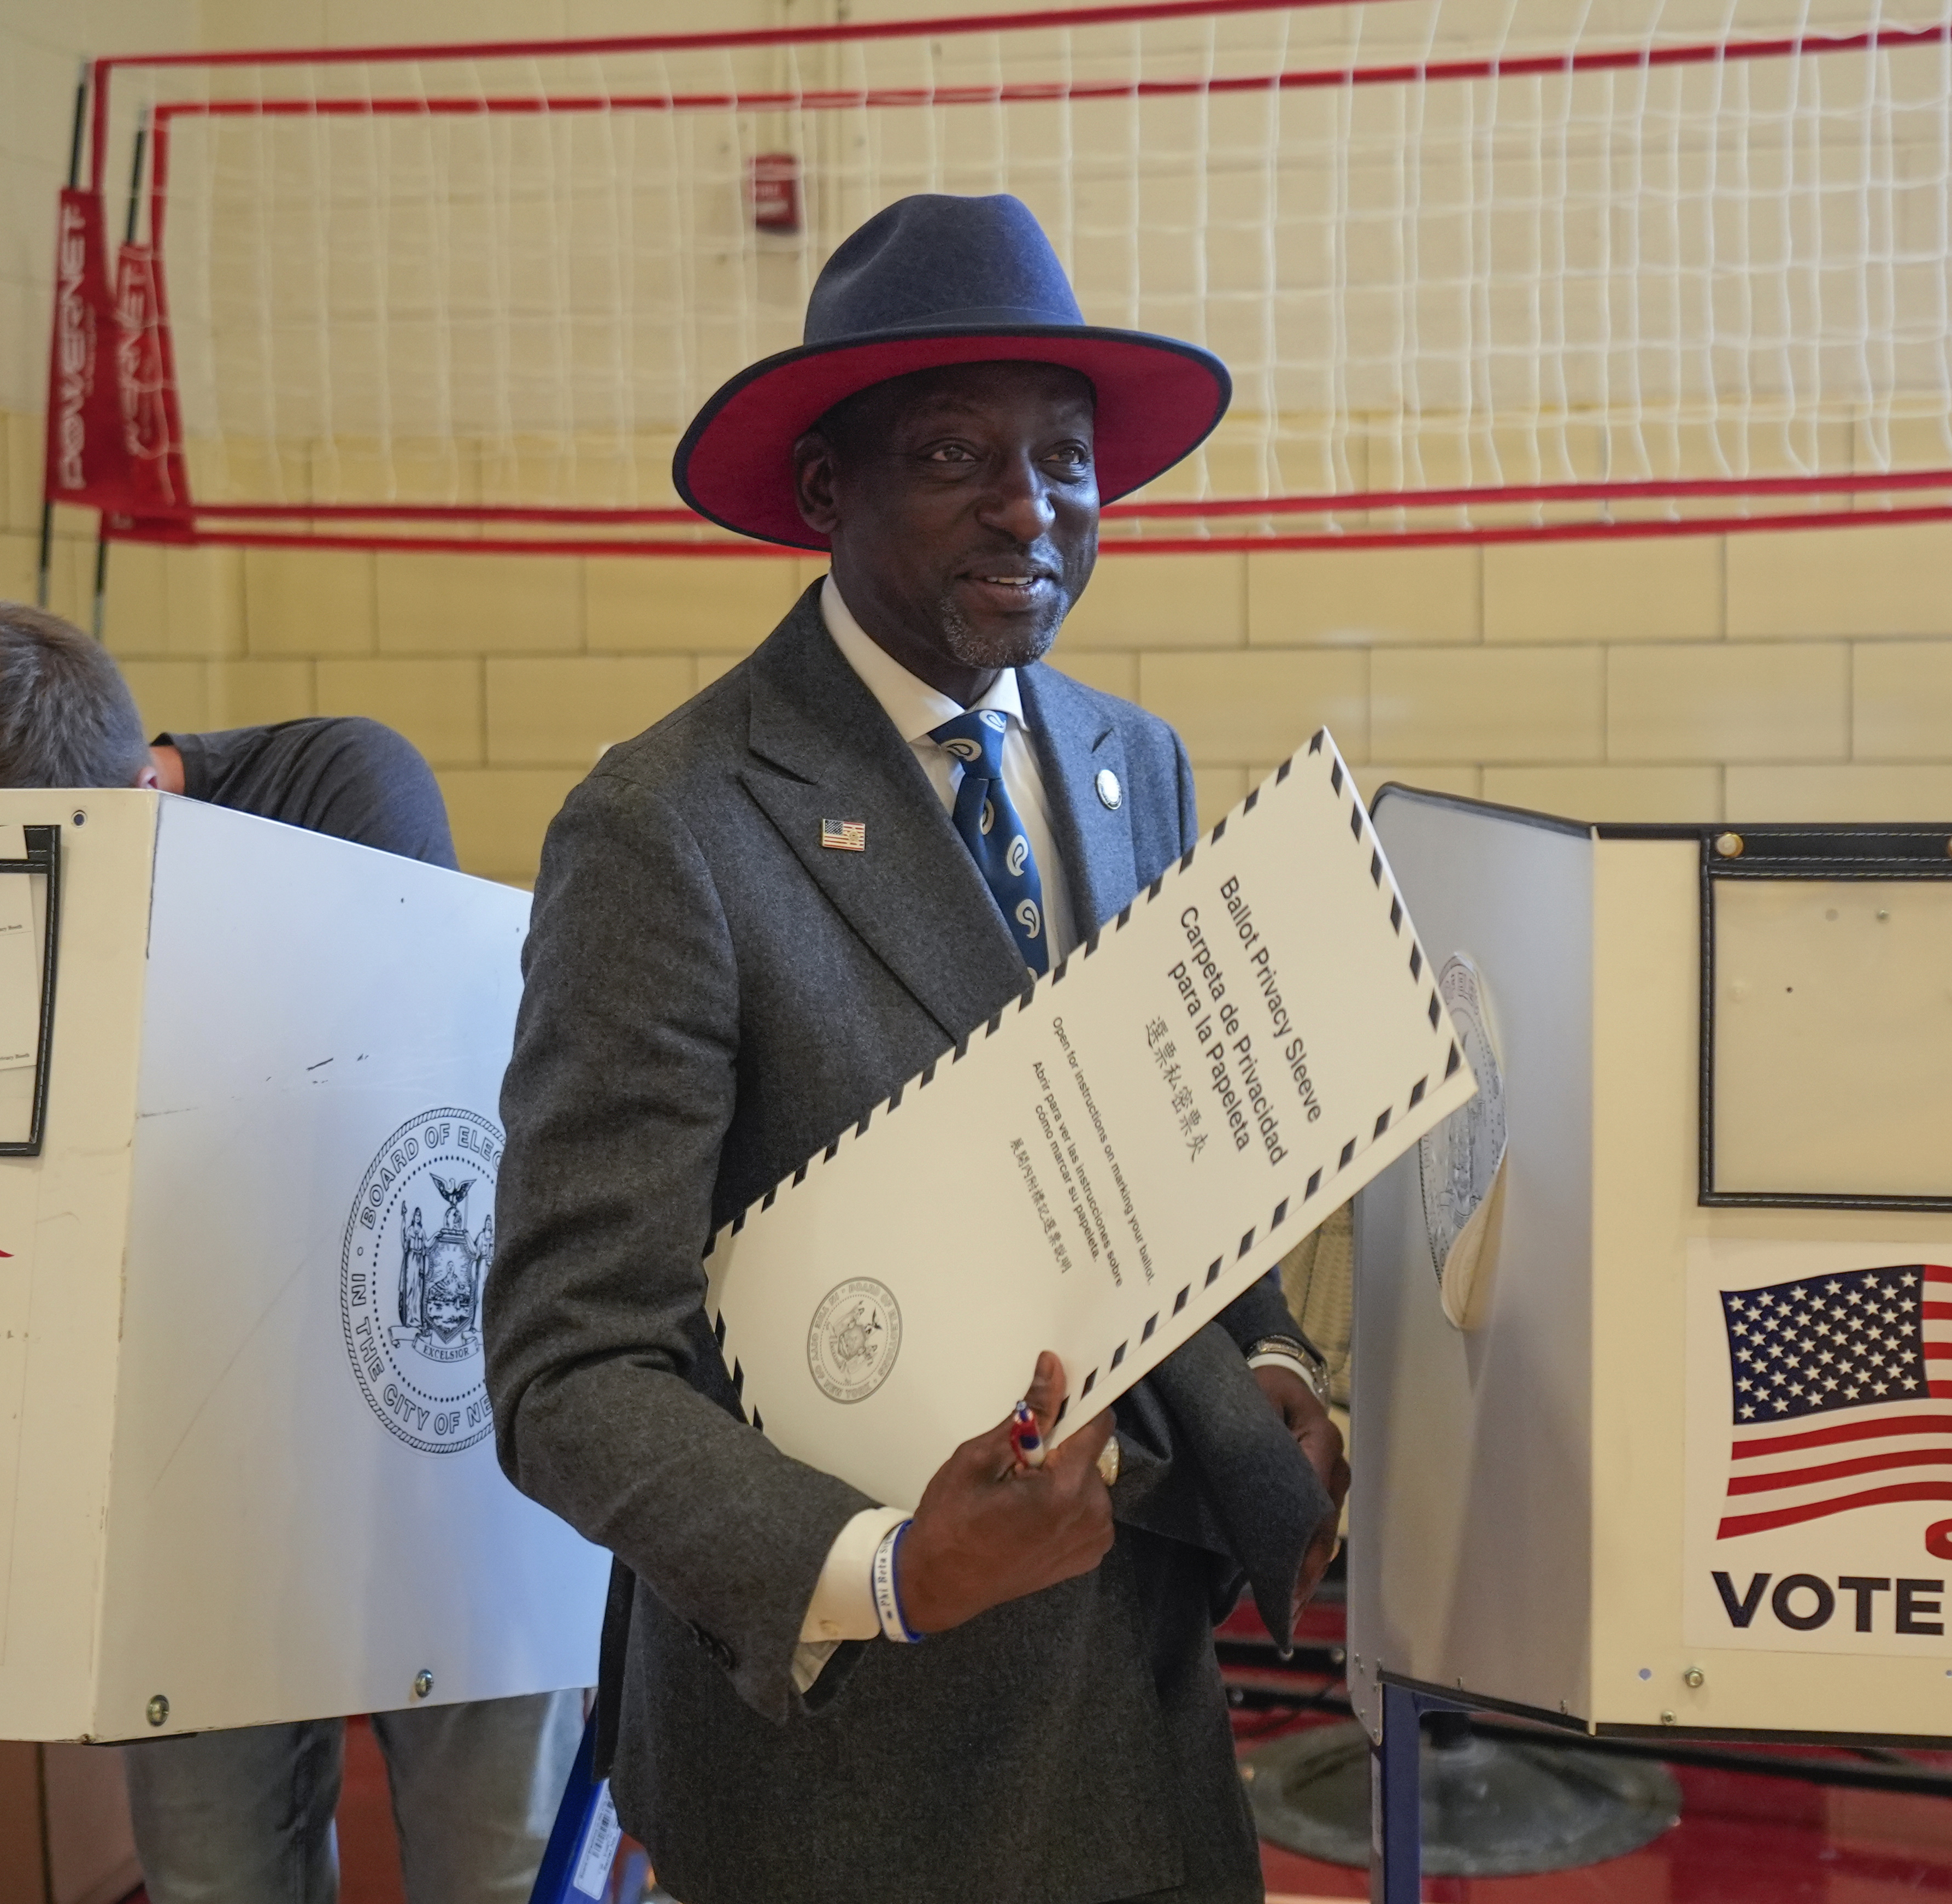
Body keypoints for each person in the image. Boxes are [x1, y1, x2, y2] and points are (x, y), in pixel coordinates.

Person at [485, 192, 1350, 1904]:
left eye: (1066, 455)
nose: (1030, 506)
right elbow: (567, 1365)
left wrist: (1280, 1374)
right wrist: (882, 1565)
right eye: (957, 454)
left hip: (1141, 1707)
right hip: (848, 1760)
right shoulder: (669, 824)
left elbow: (1184, 1167)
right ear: (826, 490)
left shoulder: (1132, 762)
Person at [0, 596, 583, 1904]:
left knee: (501, 1874)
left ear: (131, 800)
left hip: (436, 1440)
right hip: (191, 1467)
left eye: (8, 879)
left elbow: (329, 1129)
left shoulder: (343, 784)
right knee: (212, 1878)